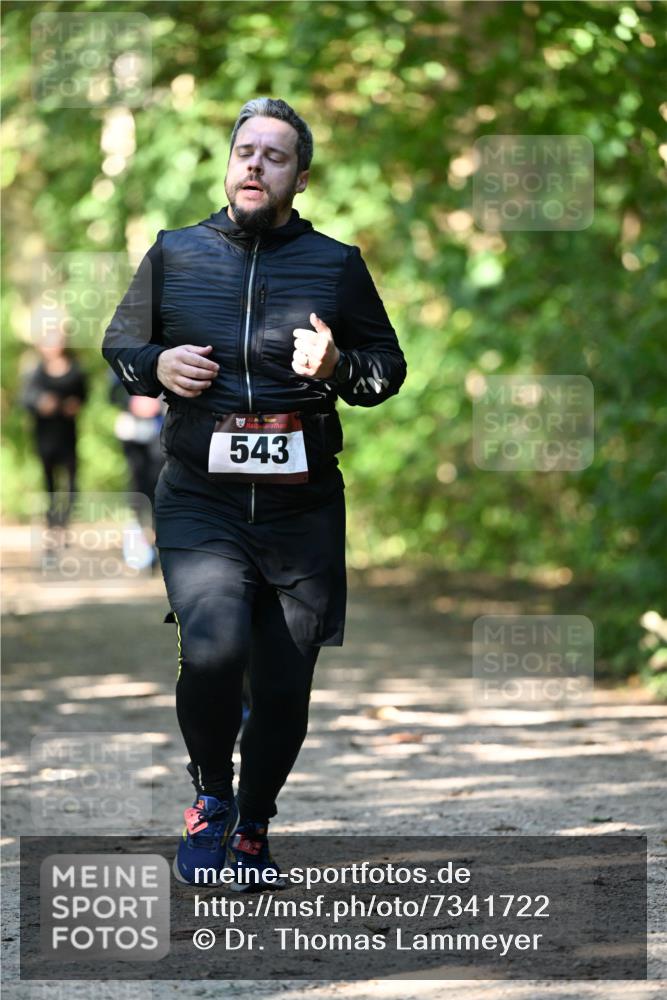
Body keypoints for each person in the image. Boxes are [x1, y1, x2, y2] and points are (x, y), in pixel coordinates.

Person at [102, 97, 406, 889]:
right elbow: (121, 345)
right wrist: (156, 365)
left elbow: (386, 371)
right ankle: (210, 797)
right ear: (229, 162)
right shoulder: (176, 253)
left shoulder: (335, 264)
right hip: (202, 496)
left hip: (300, 507)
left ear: (298, 178)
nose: (254, 164)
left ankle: (254, 824)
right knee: (213, 651)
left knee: (280, 685)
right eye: (245, 150)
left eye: (274, 156)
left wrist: (338, 367)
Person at [21, 333, 88, 542]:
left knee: (71, 483)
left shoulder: (76, 369)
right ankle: (52, 523)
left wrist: (75, 405)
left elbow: (84, 395)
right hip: (45, 436)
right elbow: (25, 398)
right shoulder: (34, 371)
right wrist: (41, 403)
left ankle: (64, 522)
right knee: (49, 483)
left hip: (68, 435)